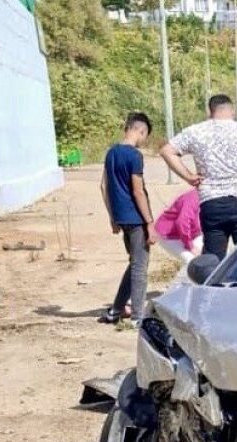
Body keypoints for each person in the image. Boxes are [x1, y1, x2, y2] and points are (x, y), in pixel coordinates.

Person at [159, 95, 237, 260]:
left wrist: (189, 176)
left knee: (213, 259)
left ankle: (215, 276)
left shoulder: (195, 131)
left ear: (210, 111)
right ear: (232, 111)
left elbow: (167, 151)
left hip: (212, 202)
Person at [99, 112, 155, 325]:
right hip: (137, 218)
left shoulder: (111, 153)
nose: (144, 141)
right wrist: (150, 222)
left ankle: (116, 310)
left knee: (134, 264)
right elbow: (138, 191)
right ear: (140, 131)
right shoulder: (134, 156)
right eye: (145, 136)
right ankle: (138, 317)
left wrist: (112, 217)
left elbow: (103, 186)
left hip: (121, 218)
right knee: (140, 268)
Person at [152, 188, 203, 280]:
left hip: (192, 233)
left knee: (204, 257)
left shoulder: (209, 197)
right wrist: (190, 246)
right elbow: (182, 222)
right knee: (191, 261)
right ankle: (181, 285)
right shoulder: (192, 198)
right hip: (169, 235)